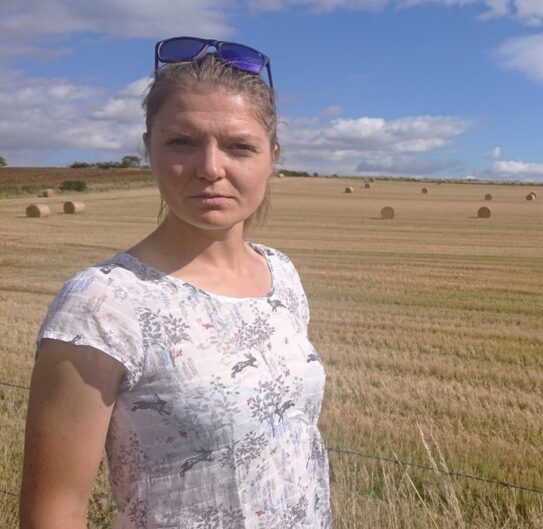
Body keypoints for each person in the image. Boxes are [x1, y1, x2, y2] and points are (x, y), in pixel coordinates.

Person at [19, 37, 331, 529]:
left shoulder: (281, 275)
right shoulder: (103, 303)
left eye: (239, 146)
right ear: (149, 150)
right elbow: (54, 512)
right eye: (182, 142)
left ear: (272, 157)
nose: (211, 168)